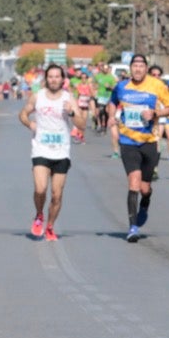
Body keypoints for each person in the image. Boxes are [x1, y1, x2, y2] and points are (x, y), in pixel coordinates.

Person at [109, 54, 169, 243]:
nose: (138, 69)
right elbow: (113, 101)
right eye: (134, 66)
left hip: (149, 141)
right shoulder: (122, 86)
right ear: (130, 68)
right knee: (134, 183)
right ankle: (133, 227)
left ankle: (145, 204)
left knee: (145, 188)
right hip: (128, 140)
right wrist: (112, 115)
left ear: (146, 68)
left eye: (141, 66)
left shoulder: (157, 85)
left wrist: (155, 112)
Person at [18, 64, 87, 240]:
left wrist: (71, 113)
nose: (54, 80)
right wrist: (29, 124)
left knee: (57, 195)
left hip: (61, 151)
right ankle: (39, 215)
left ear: (62, 80)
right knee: (40, 189)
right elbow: (23, 114)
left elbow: (82, 125)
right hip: (40, 149)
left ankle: (50, 226)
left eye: (57, 77)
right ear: (46, 79)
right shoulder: (37, 97)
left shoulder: (68, 98)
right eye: (51, 77)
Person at [92, 62, 118, 133]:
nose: (106, 69)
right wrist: (95, 87)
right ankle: (100, 125)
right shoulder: (98, 76)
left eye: (107, 68)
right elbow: (94, 84)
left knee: (106, 111)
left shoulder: (111, 77)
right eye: (104, 68)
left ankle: (104, 126)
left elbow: (114, 88)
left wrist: (109, 87)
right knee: (101, 111)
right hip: (100, 96)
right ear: (102, 68)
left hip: (108, 96)